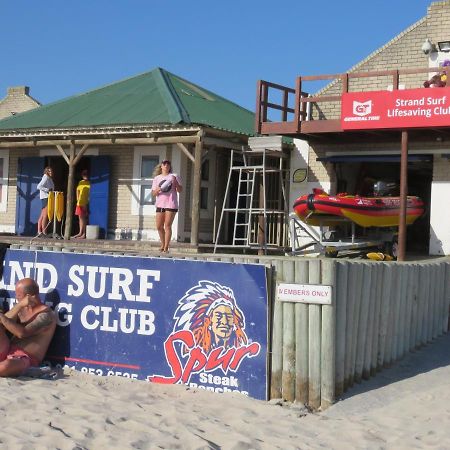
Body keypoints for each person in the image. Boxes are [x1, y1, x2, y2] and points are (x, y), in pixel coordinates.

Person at [0, 278, 56, 377]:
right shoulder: (22, 308)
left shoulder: (46, 315)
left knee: (5, 366)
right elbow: (2, 324)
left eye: (18, 295)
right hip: (8, 350)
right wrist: (20, 305)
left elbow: (22, 333)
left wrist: (1, 316)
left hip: (26, 358)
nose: (16, 297)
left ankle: (32, 371)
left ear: (28, 297)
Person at [151, 160, 182, 253]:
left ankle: (166, 247)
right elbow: (153, 193)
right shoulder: (157, 178)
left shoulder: (174, 176)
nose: (166, 165)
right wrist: (158, 190)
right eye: (164, 164)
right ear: (161, 166)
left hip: (171, 204)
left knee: (167, 225)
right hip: (160, 204)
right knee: (159, 226)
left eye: (168, 164)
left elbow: (180, 190)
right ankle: (163, 243)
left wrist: (175, 183)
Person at [36, 166, 54, 236]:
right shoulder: (46, 177)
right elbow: (39, 186)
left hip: (48, 197)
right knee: (45, 215)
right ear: (46, 172)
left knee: (42, 215)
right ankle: (44, 231)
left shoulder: (49, 178)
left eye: (51, 171)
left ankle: (39, 231)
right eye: (49, 171)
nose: (50, 172)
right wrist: (47, 190)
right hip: (46, 197)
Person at [73, 169, 90, 239]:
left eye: (86, 174)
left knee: (85, 218)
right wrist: (77, 199)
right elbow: (77, 190)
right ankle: (80, 232)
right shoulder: (81, 182)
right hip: (80, 202)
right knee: (80, 217)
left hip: (86, 202)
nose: (85, 176)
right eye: (84, 174)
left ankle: (84, 234)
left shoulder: (90, 183)